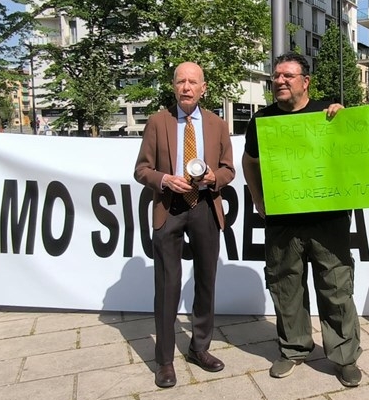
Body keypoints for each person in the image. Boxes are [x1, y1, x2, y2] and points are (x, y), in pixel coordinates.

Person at [241, 52, 362, 387]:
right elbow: (249, 162)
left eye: (287, 76)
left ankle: (344, 356)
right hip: (283, 221)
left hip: (329, 220)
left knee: (336, 287)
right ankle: (294, 348)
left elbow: (357, 151)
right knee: (286, 287)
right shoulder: (261, 121)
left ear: (305, 82)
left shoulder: (329, 112)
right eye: (275, 76)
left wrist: (345, 118)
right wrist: (257, 197)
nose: (279, 81)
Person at [134, 61, 235, 388]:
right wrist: (164, 179)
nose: (187, 87)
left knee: (206, 281)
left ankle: (199, 348)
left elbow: (229, 169)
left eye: (193, 82)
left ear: (203, 88)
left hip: (205, 206)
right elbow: (141, 170)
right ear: (174, 86)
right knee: (167, 286)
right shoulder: (157, 122)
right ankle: (164, 360)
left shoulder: (218, 125)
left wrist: (213, 177)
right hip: (170, 208)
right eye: (181, 82)